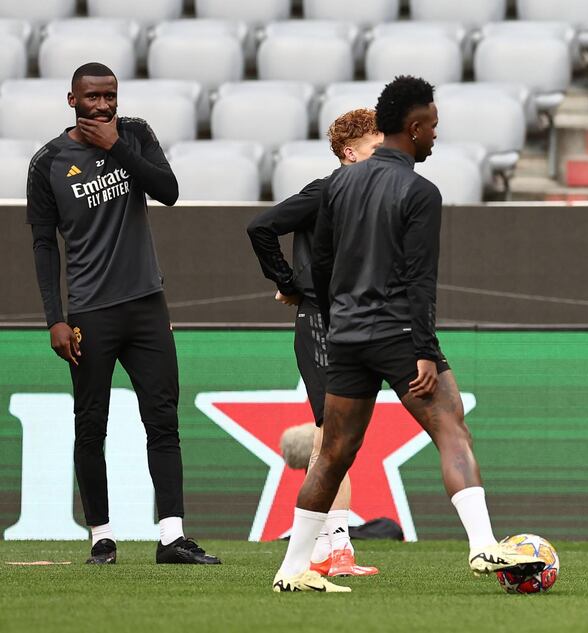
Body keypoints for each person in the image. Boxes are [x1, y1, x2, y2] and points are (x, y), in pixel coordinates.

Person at [270, 75, 544, 593]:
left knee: (333, 454)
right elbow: (421, 280)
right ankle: (483, 545)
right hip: (398, 333)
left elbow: (322, 263)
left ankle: (291, 570)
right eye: (433, 125)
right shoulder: (420, 192)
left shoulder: (339, 184)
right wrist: (424, 350)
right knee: (451, 428)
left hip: (346, 336)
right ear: (414, 128)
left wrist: (336, 316)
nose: (436, 135)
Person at [26, 62, 219, 565]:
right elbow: (44, 245)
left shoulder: (134, 134)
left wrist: (116, 147)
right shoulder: (48, 162)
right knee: (91, 426)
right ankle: (102, 537)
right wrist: (55, 318)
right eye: (92, 97)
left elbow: (168, 192)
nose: (103, 105)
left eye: (110, 95)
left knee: (163, 421)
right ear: (72, 100)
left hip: (147, 305)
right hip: (90, 313)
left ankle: (172, 537)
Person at [246, 108, 382, 577]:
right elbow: (261, 227)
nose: (385, 156)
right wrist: (289, 282)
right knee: (332, 436)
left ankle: (330, 547)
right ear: (350, 153)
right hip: (321, 323)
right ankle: (333, 548)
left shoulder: (378, 198)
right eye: (375, 148)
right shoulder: (325, 191)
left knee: (339, 439)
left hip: (356, 322)